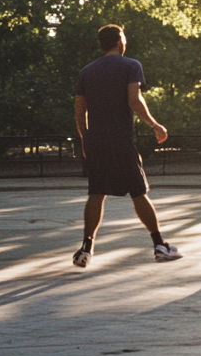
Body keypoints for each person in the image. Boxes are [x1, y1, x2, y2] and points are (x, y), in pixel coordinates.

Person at [73, 25, 182, 268]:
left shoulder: (86, 72)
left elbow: (80, 111)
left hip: (97, 141)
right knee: (138, 191)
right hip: (121, 139)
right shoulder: (131, 65)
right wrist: (155, 125)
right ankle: (160, 246)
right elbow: (134, 99)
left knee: (96, 193)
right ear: (120, 40)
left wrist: (85, 139)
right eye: (124, 36)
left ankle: (85, 249)